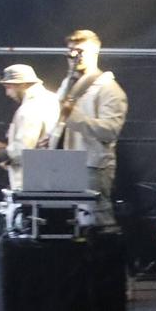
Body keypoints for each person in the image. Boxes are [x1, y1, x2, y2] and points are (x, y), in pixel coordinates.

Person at [45, 29, 129, 228]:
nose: (74, 57)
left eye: (80, 52)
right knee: (73, 223)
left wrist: (74, 117)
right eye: (71, 52)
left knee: (95, 220)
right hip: (68, 163)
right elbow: (61, 119)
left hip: (93, 166)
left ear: (95, 53)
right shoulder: (68, 83)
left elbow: (110, 130)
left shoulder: (108, 89)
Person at [0, 63, 59, 193]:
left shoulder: (29, 109)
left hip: (31, 182)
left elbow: (22, 150)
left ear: (22, 84)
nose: (7, 93)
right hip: (51, 175)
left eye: (9, 87)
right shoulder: (52, 98)